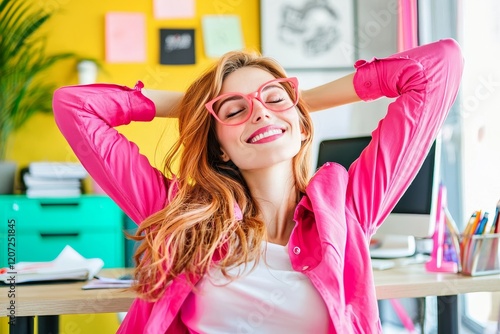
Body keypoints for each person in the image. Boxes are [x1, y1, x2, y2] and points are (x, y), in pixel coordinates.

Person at [53, 38, 463, 333]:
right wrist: (195, 106)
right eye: (234, 110)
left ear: (303, 128)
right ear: (221, 149)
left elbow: (439, 66)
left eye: (274, 99)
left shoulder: (347, 208)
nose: (260, 114)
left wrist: (304, 104)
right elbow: (75, 106)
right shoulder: (179, 210)